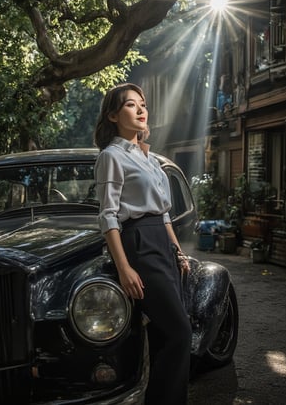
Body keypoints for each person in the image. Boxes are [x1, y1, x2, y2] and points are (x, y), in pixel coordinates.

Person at [94, 83, 192, 405]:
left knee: (165, 335)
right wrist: (124, 268)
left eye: (143, 104)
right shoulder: (112, 156)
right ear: (112, 115)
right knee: (180, 333)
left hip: (162, 245)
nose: (141, 110)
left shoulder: (151, 160)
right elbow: (108, 216)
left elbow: (164, 214)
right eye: (131, 105)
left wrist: (178, 252)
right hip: (138, 243)